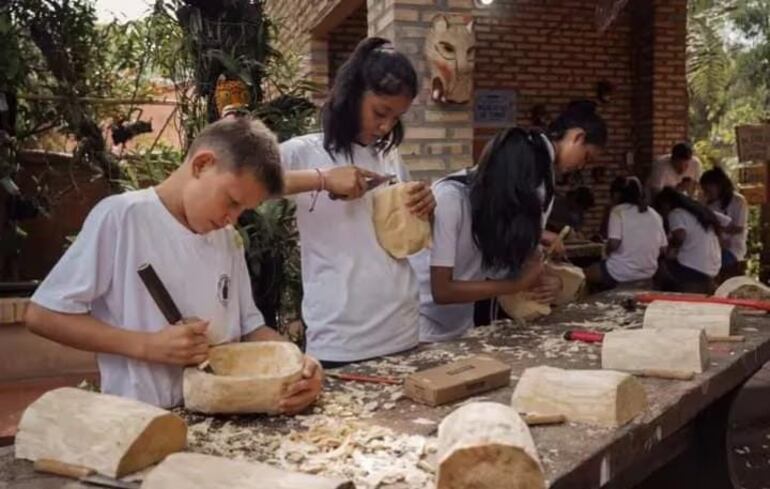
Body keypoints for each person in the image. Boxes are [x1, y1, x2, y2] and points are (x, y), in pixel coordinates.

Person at [24, 118, 323, 412]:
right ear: (202, 164)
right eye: (232, 201)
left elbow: (250, 328)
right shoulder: (125, 218)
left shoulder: (227, 238)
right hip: (141, 419)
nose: (232, 219)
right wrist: (147, 346)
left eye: (243, 210)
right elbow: (44, 314)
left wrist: (297, 364)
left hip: (225, 415)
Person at [278, 38, 435, 367]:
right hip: (341, 341)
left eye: (396, 117)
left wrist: (424, 206)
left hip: (403, 328)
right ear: (351, 95)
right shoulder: (303, 151)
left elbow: (402, 237)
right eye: (380, 112)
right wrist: (322, 179)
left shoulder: (389, 155)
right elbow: (240, 186)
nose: (385, 126)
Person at [410, 102, 608, 342]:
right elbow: (443, 290)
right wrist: (515, 284)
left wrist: (547, 279)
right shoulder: (450, 199)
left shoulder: (511, 199)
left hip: (462, 322)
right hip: (421, 323)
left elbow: (521, 256)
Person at [585, 177, 667, 289]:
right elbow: (663, 249)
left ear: (616, 194)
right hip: (648, 273)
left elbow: (614, 243)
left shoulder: (618, 211)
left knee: (585, 274)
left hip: (619, 272)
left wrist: (606, 251)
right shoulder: (654, 214)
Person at [653, 186, 728, 294]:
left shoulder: (676, 213)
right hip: (711, 269)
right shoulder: (699, 212)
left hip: (692, 269)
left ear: (666, 204)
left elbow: (680, 236)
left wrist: (671, 249)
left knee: (660, 267)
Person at [700, 167, 748, 277]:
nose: (707, 193)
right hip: (712, 246)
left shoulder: (738, 201)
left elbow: (739, 228)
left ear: (718, 186)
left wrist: (720, 230)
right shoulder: (708, 202)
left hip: (732, 248)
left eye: (708, 190)